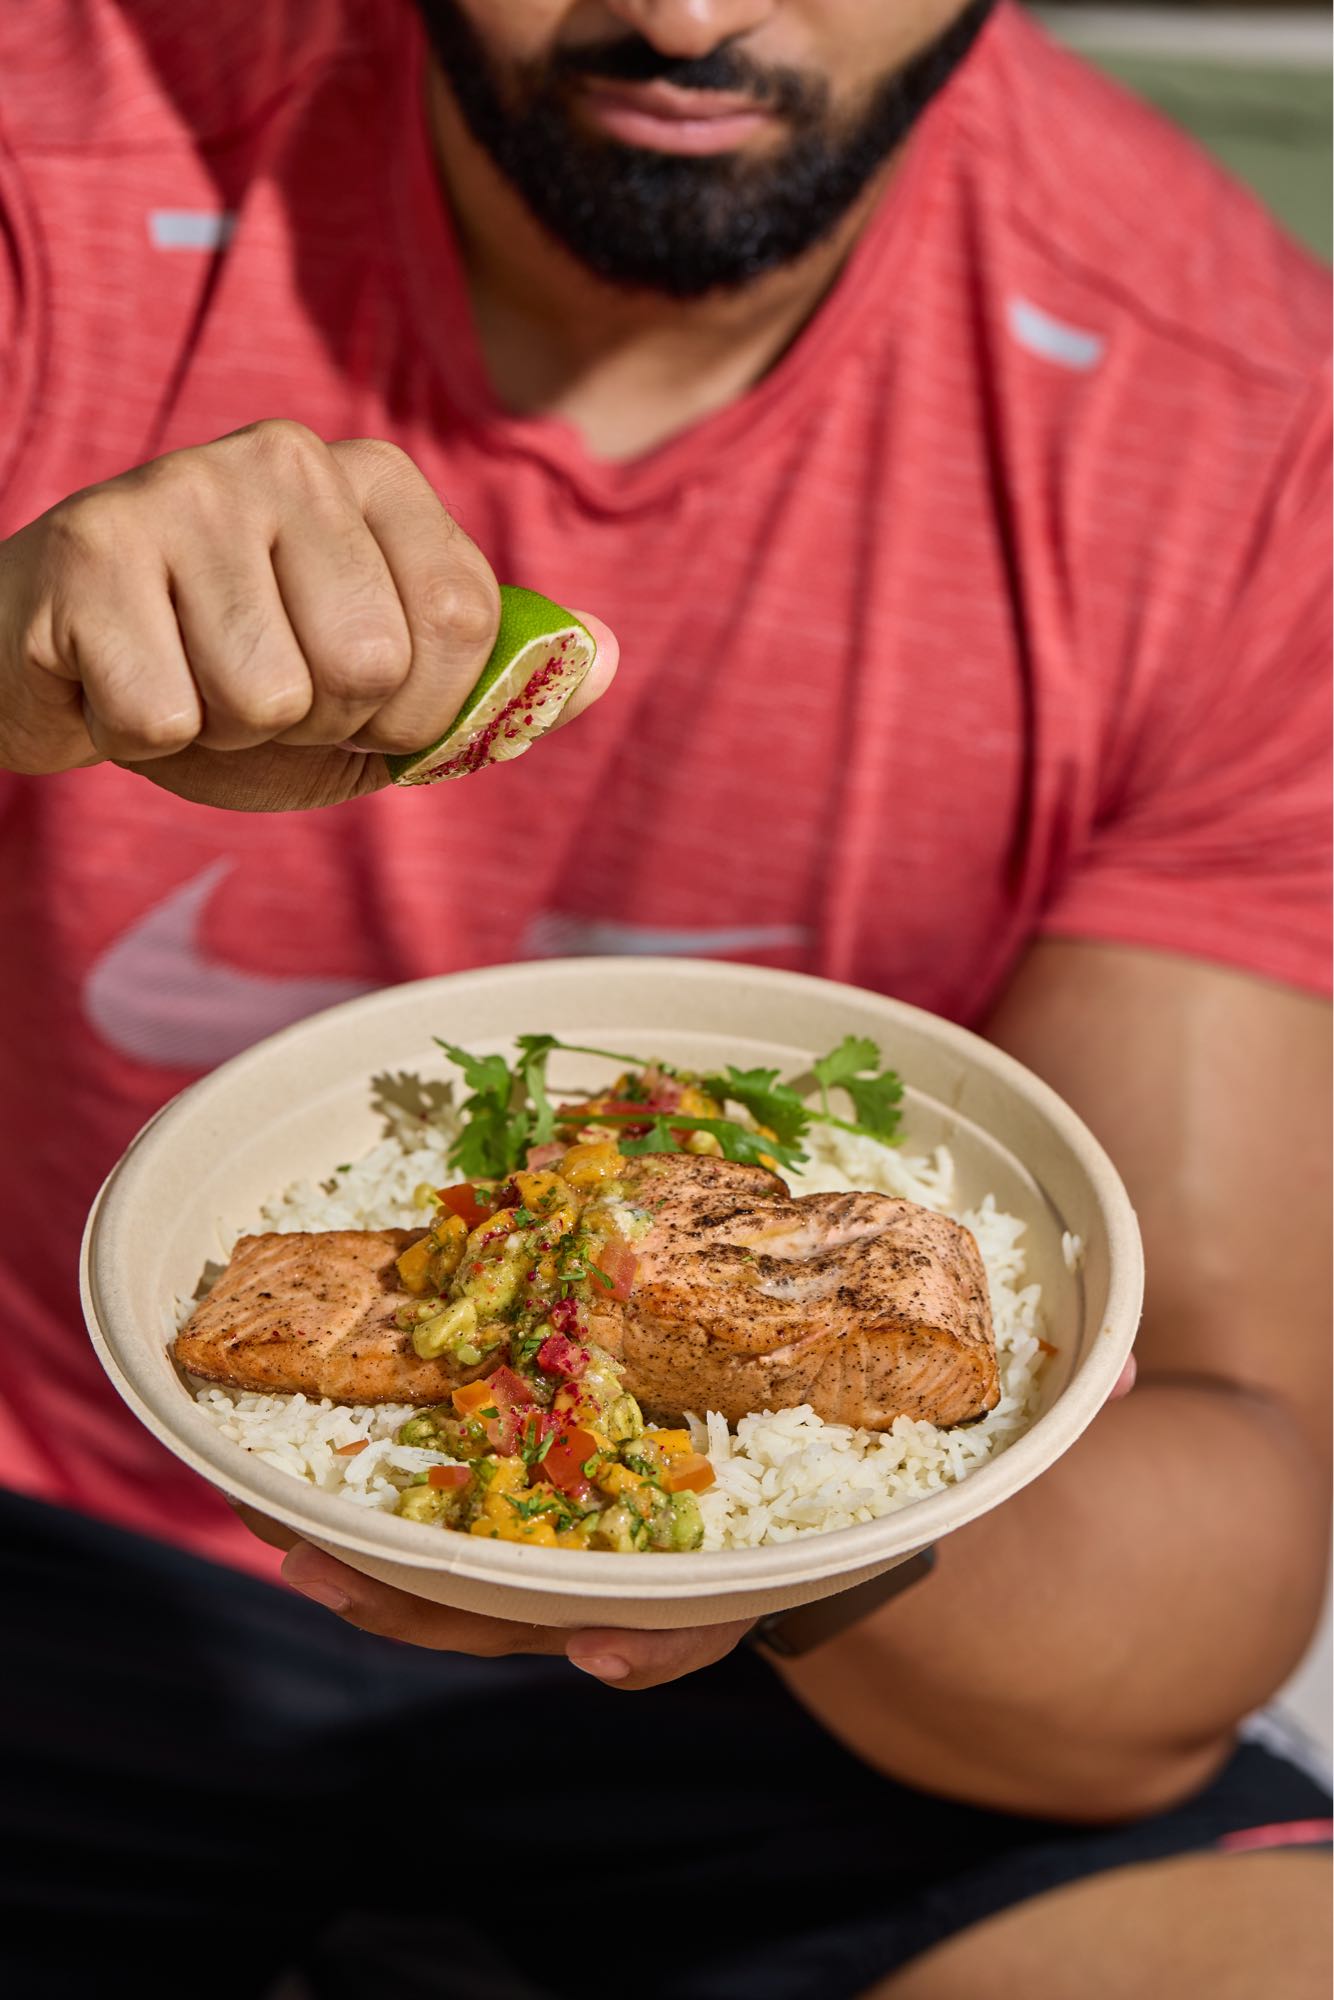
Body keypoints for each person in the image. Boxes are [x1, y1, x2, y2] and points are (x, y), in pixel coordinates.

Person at [0, 2, 1329, 1994]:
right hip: (54, 1530)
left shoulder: (1235, 414)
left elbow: (1202, 1560)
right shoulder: (55, 151)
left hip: (825, 1676)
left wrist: (792, 1532)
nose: (691, 12)